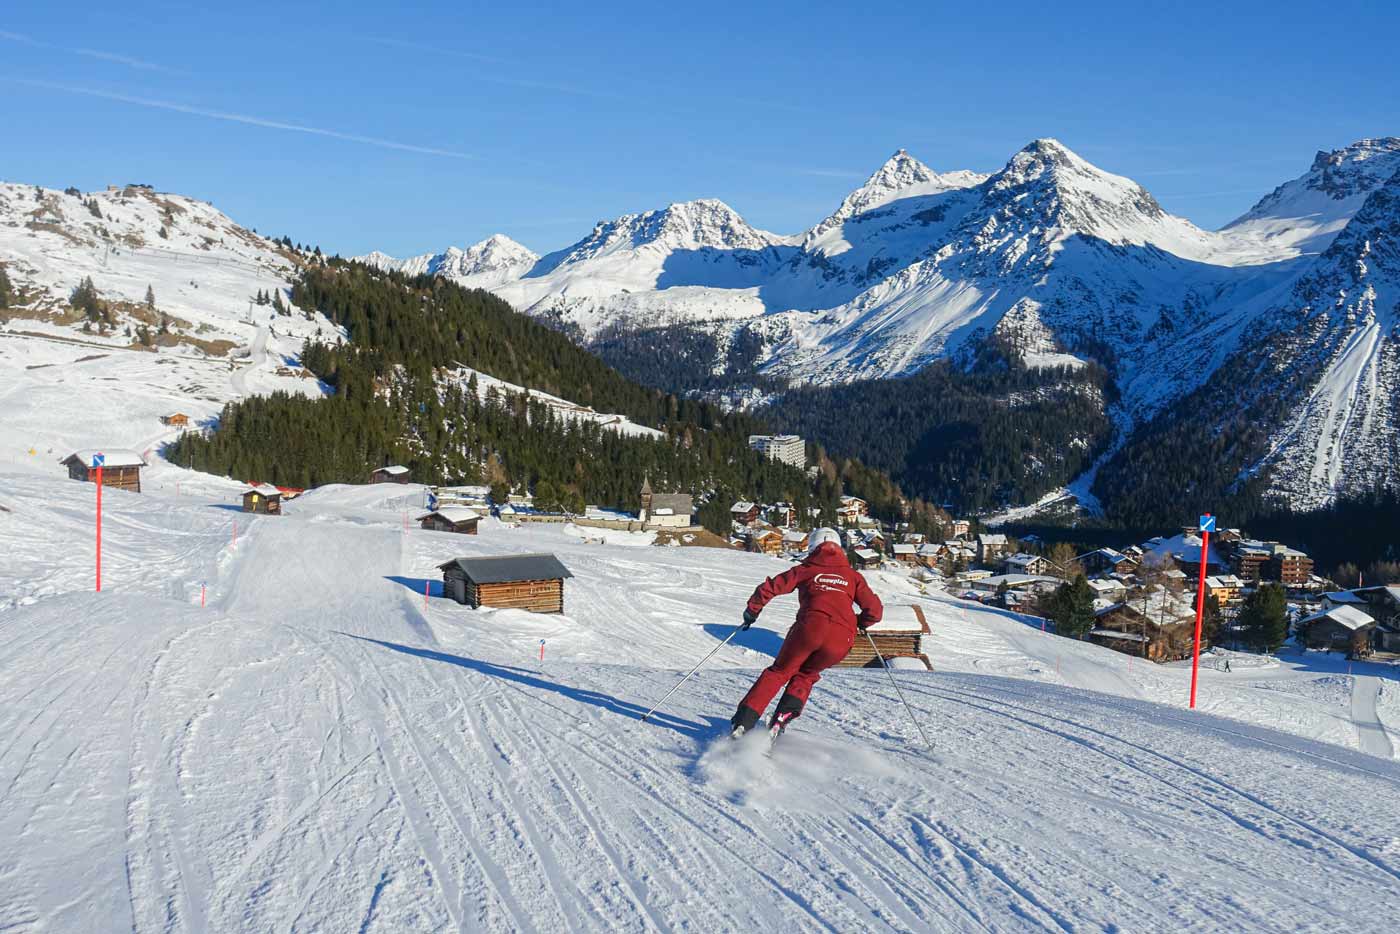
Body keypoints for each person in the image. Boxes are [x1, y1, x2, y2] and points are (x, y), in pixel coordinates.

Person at [730, 528, 883, 739]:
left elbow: (771, 587)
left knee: (779, 672)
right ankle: (780, 720)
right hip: (841, 638)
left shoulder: (806, 569)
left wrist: (752, 611)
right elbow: (875, 611)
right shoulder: (853, 576)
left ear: (812, 548)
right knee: (806, 675)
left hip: (809, 629)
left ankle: (743, 723)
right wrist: (859, 623)